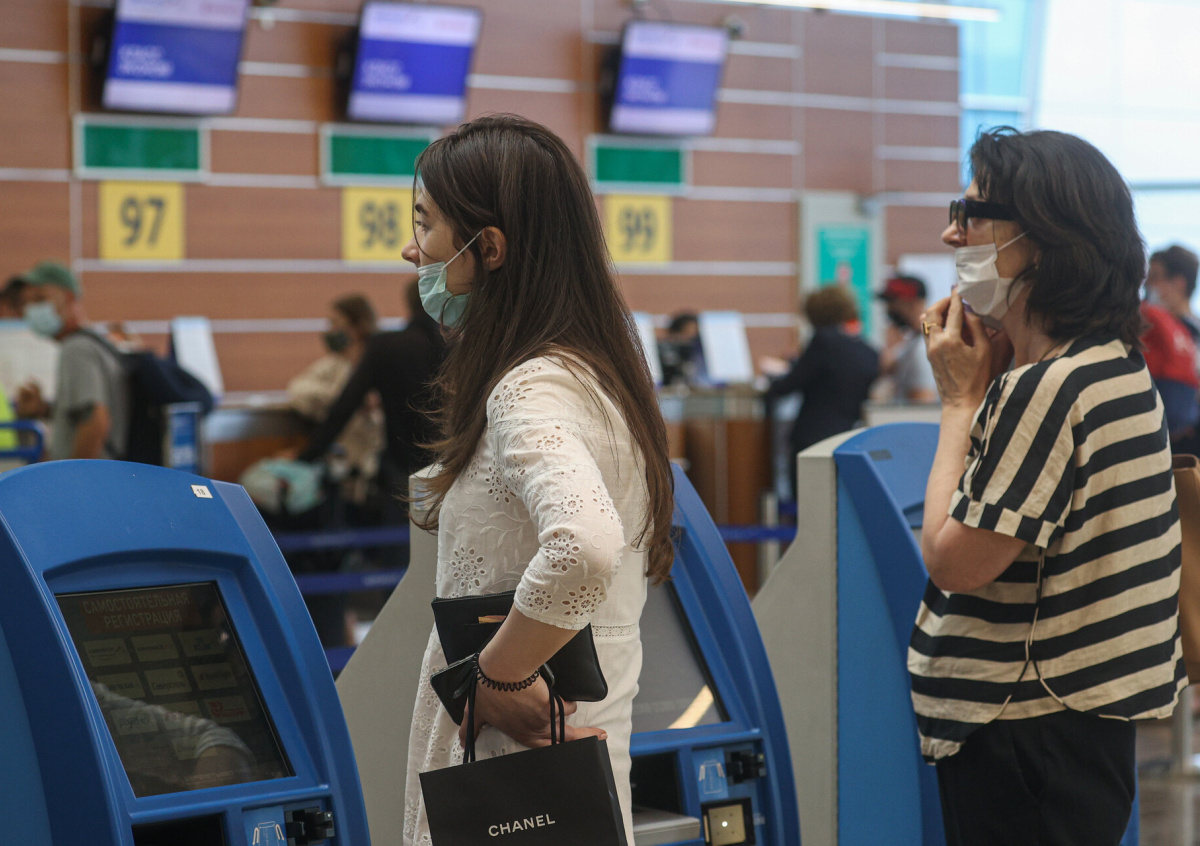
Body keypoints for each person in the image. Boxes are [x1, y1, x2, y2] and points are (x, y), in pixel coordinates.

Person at [398, 114, 674, 846]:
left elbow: (585, 545)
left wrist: (498, 677)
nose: (411, 249)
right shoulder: (598, 376)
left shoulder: (531, 387)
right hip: (569, 777)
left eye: (426, 225)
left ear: (488, 248)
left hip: (514, 777)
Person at [912, 127, 1184, 845]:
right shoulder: (1112, 362)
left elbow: (954, 561)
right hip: (1078, 727)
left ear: (1038, 238)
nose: (951, 233)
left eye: (970, 214)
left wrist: (958, 404)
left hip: (1026, 730)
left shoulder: (1048, 388)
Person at [296, 279, 446, 507]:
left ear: (409, 302)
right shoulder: (456, 345)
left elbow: (343, 408)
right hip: (449, 466)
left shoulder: (386, 346)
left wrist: (305, 457)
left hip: (401, 467)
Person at [763, 285, 880, 496]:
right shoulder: (868, 351)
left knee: (806, 500)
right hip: (849, 436)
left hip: (813, 437)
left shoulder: (823, 341)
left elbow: (792, 383)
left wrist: (768, 386)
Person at [13, 261, 130, 461]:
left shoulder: (76, 350)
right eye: (28, 303)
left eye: (41, 299)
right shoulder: (95, 344)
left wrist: (74, 476)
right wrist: (44, 410)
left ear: (68, 298)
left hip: (92, 476)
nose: (32, 310)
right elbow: (83, 413)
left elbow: (95, 422)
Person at [287, 293, 384, 505]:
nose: (329, 330)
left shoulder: (380, 363)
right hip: (337, 461)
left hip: (371, 468)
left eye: (335, 323)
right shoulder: (334, 364)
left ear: (357, 327)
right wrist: (339, 397)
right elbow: (297, 391)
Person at [876, 275, 937, 403]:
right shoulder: (912, 341)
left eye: (893, 303)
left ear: (913, 304)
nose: (889, 309)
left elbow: (924, 402)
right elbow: (886, 366)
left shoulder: (924, 347)